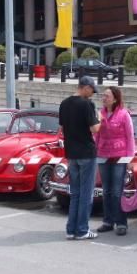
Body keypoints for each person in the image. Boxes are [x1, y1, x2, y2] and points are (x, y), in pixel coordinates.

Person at [59, 75, 101, 240]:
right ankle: (82, 229)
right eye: (91, 90)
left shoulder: (64, 103)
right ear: (85, 87)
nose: (92, 94)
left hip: (71, 153)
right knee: (86, 193)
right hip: (86, 153)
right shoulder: (87, 104)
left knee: (75, 192)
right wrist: (101, 119)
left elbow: (62, 128)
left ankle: (71, 229)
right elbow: (95, 129)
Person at [94, 87, 135, 236]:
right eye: (103, 95)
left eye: (107, 96)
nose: (104, 98)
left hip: (120, 157)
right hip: (103, 155)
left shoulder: (124, 115)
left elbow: (130, 137)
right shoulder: (100, 114)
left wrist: (130, 157)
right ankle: (108, 221)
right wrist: (95, 151)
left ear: (115, 99)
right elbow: (97, 135)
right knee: (106, 191)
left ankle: (121, 223)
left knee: (117, 192)